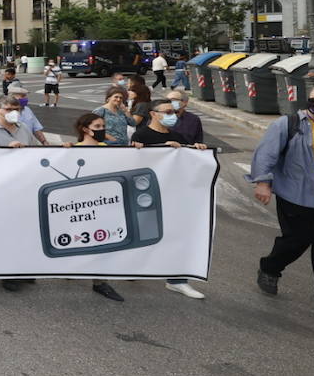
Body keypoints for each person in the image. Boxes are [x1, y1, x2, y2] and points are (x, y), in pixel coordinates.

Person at [130, 99, 209, 300]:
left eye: (172, 111)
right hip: (148, 198)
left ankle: (177, 281)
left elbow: (187, 164)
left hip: (174, 196)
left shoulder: (178, 136)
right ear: (153, 114)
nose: (171, 115)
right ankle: (130, 268)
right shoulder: (141, 135)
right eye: (166, 111)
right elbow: (133, 165)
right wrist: (150, 149)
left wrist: (197, 150)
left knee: (178, 236)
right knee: (142, 235)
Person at [250, 87, 314, 303]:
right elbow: (266, 153)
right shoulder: (289, 124)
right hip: (296, 193)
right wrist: (263, 182)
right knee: (298, 239)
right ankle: (270, 268)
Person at [67, 111, 123, 302]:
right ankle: (68, 269)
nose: (102, 130)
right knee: (74, 238)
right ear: (85, 130)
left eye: (103, 126)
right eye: (97, 127)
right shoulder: (73, 149)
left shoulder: (105, 147)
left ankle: (100, 282)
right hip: (77, 205)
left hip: (101, 203)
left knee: (101, 241)